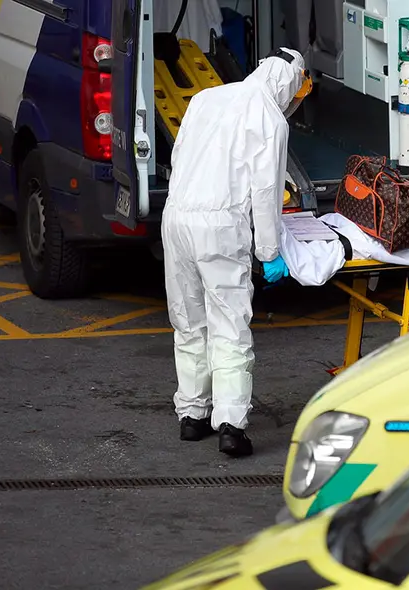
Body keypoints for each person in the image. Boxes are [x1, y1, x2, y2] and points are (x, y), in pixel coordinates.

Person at [161, 48, 310, 457]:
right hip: (220, 226)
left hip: (176, 217)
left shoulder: (206, 97)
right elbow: (265, 195)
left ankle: (191, 416)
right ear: (289, 82)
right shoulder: (270, 119)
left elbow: (178, 157)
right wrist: (269, 251)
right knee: (229, 324)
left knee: (188, 321)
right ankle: (230, 425)